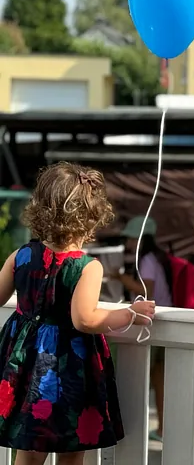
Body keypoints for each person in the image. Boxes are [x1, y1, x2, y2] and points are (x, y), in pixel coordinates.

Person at [0, 162, 155, 465]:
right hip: (65, 368)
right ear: (91, 219)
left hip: (23, 362)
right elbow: (85, 319)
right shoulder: (86, 266)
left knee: (29, 447)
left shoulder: (21, 255)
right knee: (71, 446)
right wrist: (130, 314)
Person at [112, 216, 170, 443]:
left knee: (139, 379)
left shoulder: (145, 261)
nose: (127, 242)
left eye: (131, 237)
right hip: (162, 322)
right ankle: (163, 428)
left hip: (154, 324)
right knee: (158, 379)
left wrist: (119, 277)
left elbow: (145, 291)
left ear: (140, 239)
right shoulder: (156, 258)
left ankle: (132, 430)